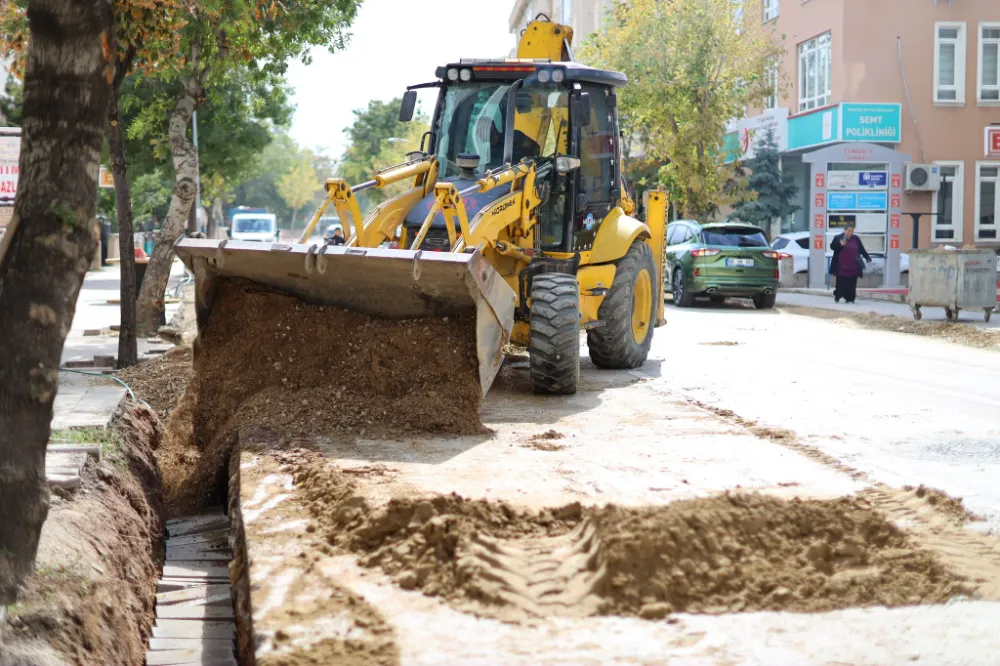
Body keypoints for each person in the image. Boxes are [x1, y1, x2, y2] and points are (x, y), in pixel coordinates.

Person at [830, 222, 871, 303]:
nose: (850, 233)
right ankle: (838, 296)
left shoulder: (856, 238)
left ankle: (850, 298)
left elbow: (861, 249)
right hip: (842, 266)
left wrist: (867, 257)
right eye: (849, 231)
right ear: (844, 230)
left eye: (852, 231)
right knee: (841, 282)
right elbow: (832, 246)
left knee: (852, 283)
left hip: (853, 265)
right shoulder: (838, 237)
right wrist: (840, 244)